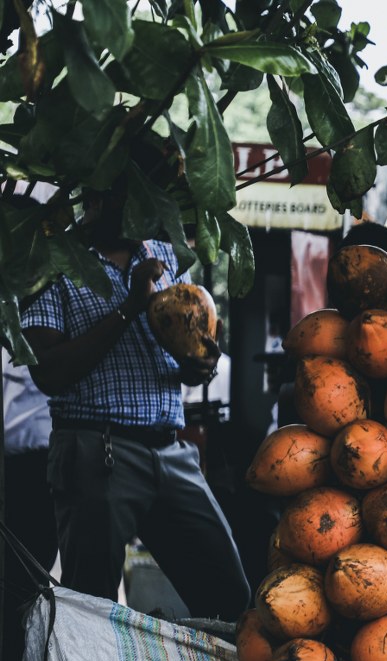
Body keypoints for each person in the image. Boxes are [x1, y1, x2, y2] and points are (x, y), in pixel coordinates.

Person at [19, 182, 250, 622]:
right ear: (102, 197)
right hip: (96, 450)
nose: (150, 209)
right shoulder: (54, 262)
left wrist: (198, 364)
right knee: (92, 610)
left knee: (230, 600)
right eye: (137, 196)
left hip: (171, 448)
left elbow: (184, 345)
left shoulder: (164, 255)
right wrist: (129, 307)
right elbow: (49, 373)